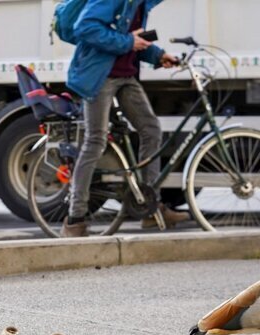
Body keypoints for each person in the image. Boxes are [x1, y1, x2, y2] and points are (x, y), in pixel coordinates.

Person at [62, 0, 189, 237]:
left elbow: (130, 39)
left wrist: (159, 55)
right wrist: (130, 42)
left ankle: (149, 208)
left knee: (151, 130)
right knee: (95, 141)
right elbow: (85, 27)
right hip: (100, 77)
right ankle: (75, 219)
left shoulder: (141, 4)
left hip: (125, 77)